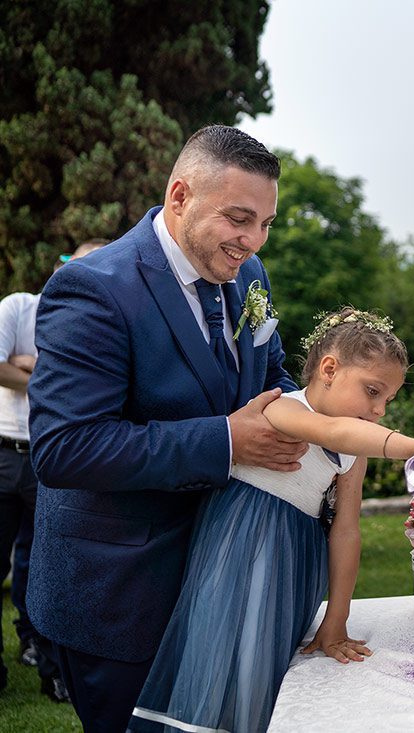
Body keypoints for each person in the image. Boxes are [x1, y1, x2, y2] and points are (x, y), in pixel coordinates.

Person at [27, 125, 309, 732]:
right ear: (180, 196)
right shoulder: (93, 289)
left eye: (264, 223)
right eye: (239, 218)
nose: (252, 240)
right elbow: (65, 447)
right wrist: (228, 442)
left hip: (221, 580)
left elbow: (273, 371)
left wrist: (319, 423)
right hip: (121, 600)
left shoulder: (249, 275)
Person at [129, 307, 414, 732]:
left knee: (271, 666)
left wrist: (337, 617)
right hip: (246, 549)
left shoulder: (355, 451)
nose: (379, 411)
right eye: (372, 391)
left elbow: (347, 529)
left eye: (388, 400)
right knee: (233, 659)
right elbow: (335, 434)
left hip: (294, 561)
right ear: (329, 369)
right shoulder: (283, 410)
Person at [0, 239, 106, 702]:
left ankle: (48, 664)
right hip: (4, 451)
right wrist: (50, 376)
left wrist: (30, 366)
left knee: (42, 565)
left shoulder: (100, 325)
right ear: (65, 268)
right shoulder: (19, 308)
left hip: (54, 462)